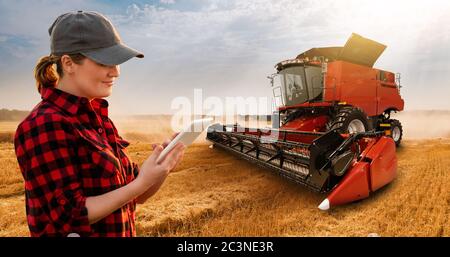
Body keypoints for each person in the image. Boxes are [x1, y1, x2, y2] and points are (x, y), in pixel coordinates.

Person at [13, 11, 185, 237]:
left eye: (117, 62)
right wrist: (140, 183)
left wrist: (162, 168)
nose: (116, 72)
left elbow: (135, 195)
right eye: (105, 61)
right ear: (68, 63)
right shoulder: (43, 124)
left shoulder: (98, 119)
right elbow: (70, 216)